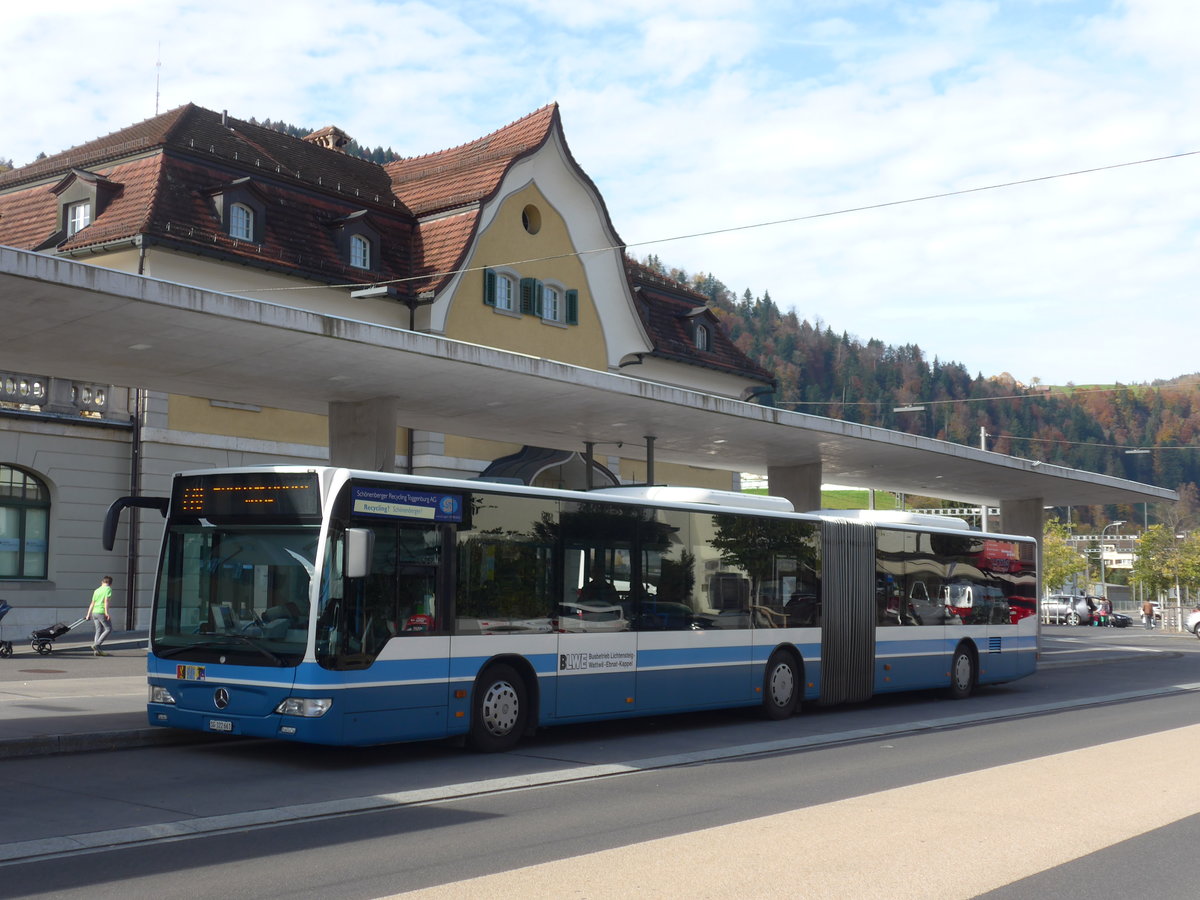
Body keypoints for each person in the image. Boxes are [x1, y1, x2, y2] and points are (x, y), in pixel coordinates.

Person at [86, 575, 113, 656]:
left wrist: (88, 614)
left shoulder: (97, 590)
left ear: (102, 582)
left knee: (98, 630)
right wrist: (106, 612)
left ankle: (97, 651)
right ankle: (97, 645)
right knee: (108, 629)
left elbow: (92, 603)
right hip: (101, 611)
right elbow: (106, 601)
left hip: (94, 612)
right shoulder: (108, 589)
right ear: (110, 583)